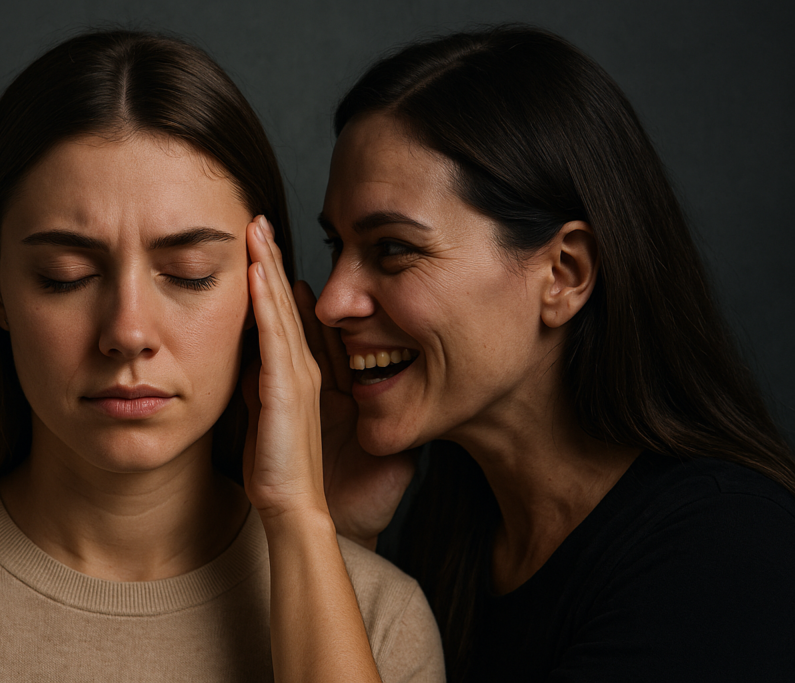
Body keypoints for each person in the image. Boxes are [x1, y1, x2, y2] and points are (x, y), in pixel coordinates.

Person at [0, 30, 443, 682]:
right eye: (64, 274)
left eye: (188, 272)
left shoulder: (382, 621)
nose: (127, 331)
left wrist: (299, 515)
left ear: (260, 288)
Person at [293, 24, 795, 681]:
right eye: (338, 247)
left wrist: (302, 522)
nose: (332, 302)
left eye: (391, 248)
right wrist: (347, 539)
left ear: (564, 273)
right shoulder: (454, 531)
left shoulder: (724, 555)